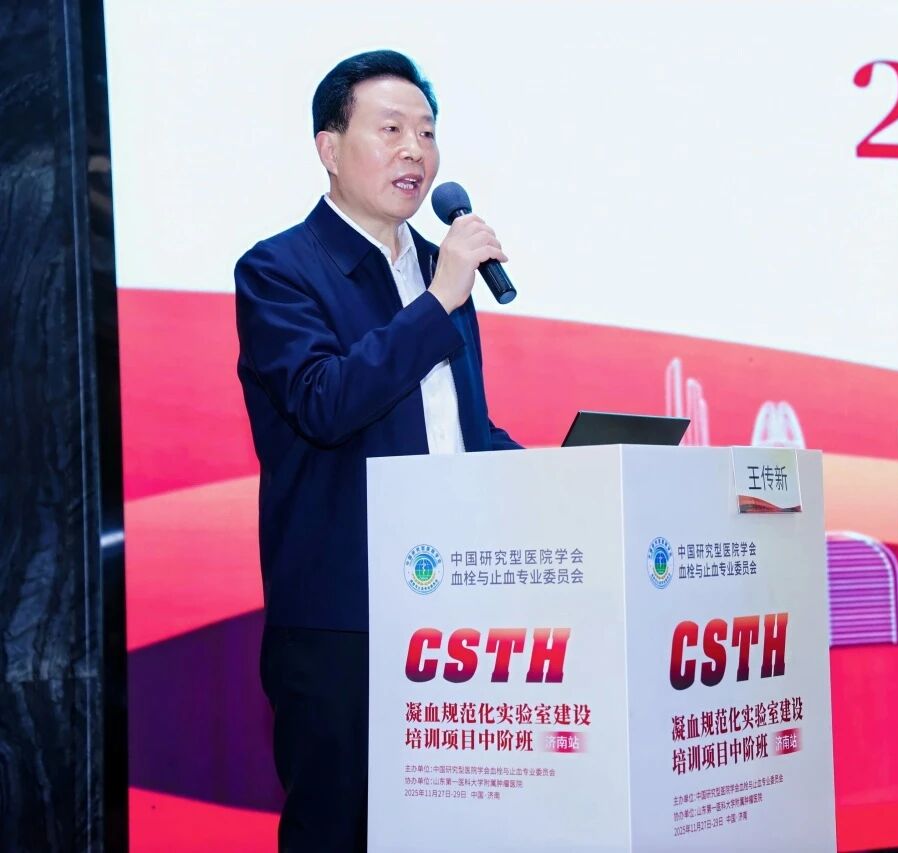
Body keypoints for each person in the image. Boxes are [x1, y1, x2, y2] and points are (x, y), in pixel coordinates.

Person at [234, 49, 520, 851]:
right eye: (390, 130)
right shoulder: (278, 270)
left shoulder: (437, 269)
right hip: (342, 622)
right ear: (329, 148)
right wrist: (440, 300)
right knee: (339, 830)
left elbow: (457, 432)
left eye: (426, 133)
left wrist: (570, 471)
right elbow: (326, 403)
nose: (414, 152)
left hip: (453, 616)